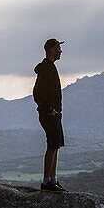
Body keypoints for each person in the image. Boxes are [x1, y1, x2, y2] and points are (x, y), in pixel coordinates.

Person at [33, 38, 66, 192]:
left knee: (56, 145)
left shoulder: (49, 67)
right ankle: (47, 182)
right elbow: (38, 92)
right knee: (52, 146)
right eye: (58, 48)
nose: (60, 51)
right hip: (50, 114)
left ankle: (53, 179)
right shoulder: (47, 69)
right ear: (52, 49)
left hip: (54, 113)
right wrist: (48, 109)